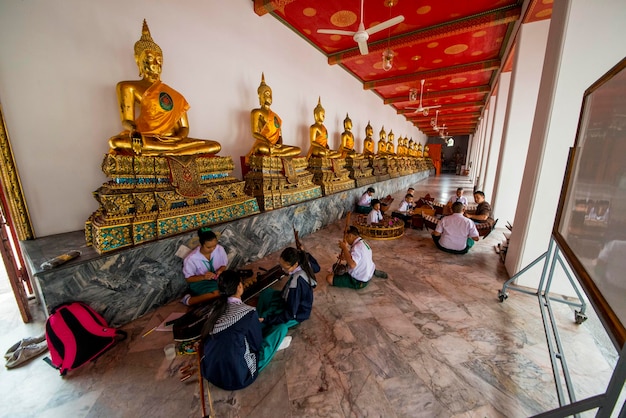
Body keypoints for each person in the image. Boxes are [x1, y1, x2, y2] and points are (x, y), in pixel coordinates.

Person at [108, 20, 221, 156]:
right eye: (150, 58)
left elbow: (184, 127)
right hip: (147, 138)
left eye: (160, 59)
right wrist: (134, 130)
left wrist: (177, 139)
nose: (156, 63)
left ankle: (170, 151)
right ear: (138, 60)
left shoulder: (176, 95)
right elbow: (127, 120)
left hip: (173, 141)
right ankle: (173, 151)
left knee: (215, 146)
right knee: (115, 142)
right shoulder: (127, 87)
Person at [200, 270, 289, 390]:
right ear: (240, 286)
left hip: (211, 371)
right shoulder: (249, 312)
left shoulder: (214, 310)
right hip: (238, 377)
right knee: (281, 329)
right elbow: (256, 345)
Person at [256, 247, 317, 333]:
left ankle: (260, 323)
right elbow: (317, 268)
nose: (283, 270)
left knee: (268, 318)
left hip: (297, 313)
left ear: (295, 265)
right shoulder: (304, 262)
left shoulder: (296, 284)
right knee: (265, 293)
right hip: (288, 299)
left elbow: (290, 313)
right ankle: (259, 317)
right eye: (281, 266)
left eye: (286, 268)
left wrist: (267, 319)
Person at [246, 73, 301, 163]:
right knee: (260, 148)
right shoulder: (256, 112)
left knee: (298, 149)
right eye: (267, 94)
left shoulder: (276, 116)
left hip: (274, 147)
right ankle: (277, 153)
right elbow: (255, 133)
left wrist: (279, 144)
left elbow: (279, 134)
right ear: (261, 96)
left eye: (271, 94)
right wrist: (268, 143)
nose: (270, 96)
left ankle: (276, 152)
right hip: (264, 144)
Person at [181, 227, 228, 306]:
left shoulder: (220, 249)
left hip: (216, 278)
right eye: (209, 247)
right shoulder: (191, 258)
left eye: (215, 246)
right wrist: (203, 277)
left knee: (232, 287)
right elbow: (188, 279)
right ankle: (188, 300)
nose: (213, 249)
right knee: (217, 294)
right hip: (200, 282)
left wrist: (220, 270)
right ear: (201, 244)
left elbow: (223, 265)